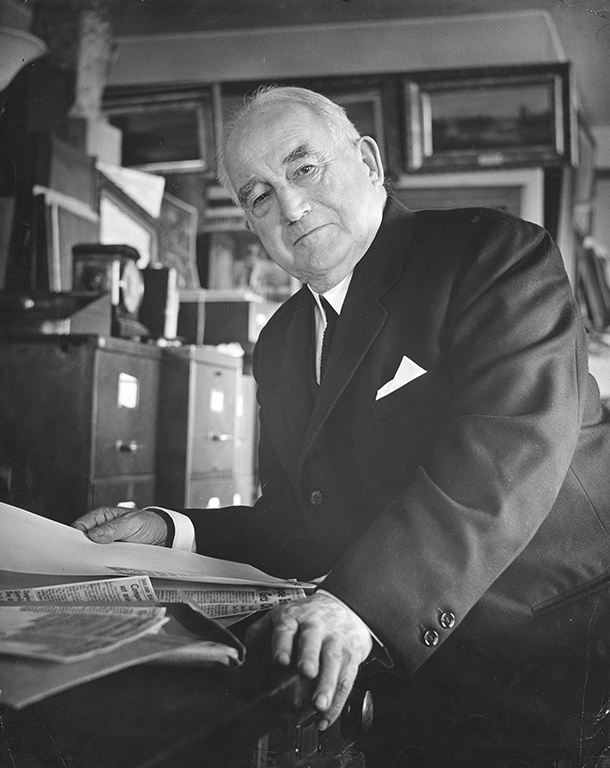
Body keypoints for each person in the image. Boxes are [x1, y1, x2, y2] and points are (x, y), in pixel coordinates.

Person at [73, 86, 610, 766]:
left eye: (304, 168)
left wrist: (357, 607)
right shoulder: (282, 340)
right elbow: (304, 519)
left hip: (546, 653)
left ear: (368, 160)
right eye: (258, 195)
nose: (290, 208)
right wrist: (171, 529)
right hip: (392, 666)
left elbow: (507, 458)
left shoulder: (493, 254)